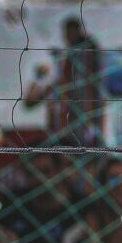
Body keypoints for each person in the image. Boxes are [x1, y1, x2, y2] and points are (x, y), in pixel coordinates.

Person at [24, 17, 104, 146]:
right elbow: (29, 102)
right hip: (57, 139)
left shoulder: (93, 88)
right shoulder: (52, 70)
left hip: (84, 141)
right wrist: (51, 85)